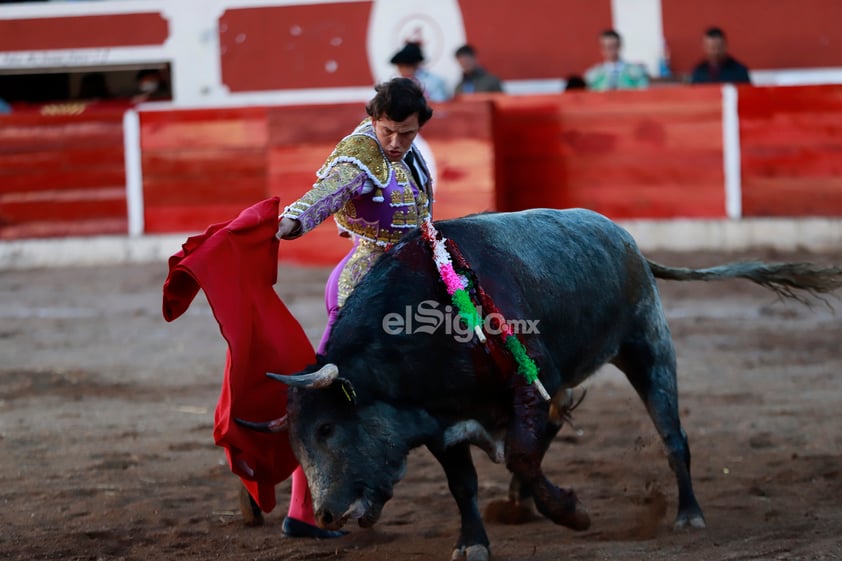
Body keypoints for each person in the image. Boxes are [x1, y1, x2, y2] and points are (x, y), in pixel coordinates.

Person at [272, 77, 435, 538]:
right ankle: (302, 512)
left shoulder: (412, 153)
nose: (397, 142)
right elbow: (330, 191)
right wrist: (292, 221)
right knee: (333, 402)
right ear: (372, 120)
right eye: (388, 131)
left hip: (407, 275)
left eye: (407, 132)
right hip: (364, 288)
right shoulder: (361, 152)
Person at [584, 29, 649, 91]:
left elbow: (643, 93)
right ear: (601, 49)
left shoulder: (636, 72)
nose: (610, 50)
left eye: (613, 46)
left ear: (620, 46)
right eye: (606, 47)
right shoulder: (593, 75)